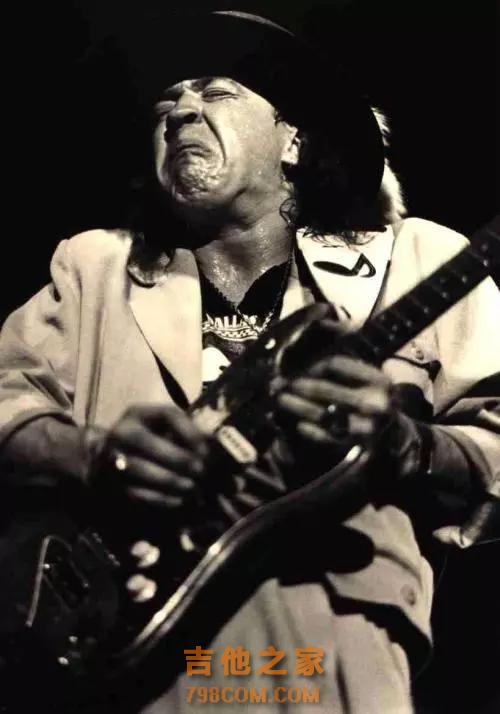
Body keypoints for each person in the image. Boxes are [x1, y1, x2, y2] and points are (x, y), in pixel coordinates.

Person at [0, 10, 499, 713]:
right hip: (127, 640)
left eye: (215, 92)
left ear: (292, 141)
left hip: (328, 632)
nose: (181, 112)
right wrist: (96, 455)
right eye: (166, 105)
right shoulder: (94, 266)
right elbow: (7, 401)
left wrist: (405, 444)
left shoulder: (421, 257)